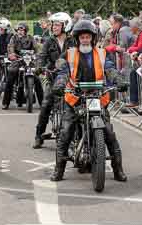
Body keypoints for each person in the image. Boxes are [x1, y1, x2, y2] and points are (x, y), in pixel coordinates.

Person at [51, 19, 128, 182]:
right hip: (75, 98)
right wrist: (59, 83)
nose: (85, 40)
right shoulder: (69, 54)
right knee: (65, 133)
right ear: (77, 38)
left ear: (93, 38)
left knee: (109, 134)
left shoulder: (101, 53)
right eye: (82, 37)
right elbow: (62, 71)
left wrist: (118, 80)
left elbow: (110, 69)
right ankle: (59, 170)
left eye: (88, 37)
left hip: (98, 98)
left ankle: (118, 170)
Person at [34, 12, 74, 148]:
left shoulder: (73, 41)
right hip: (53, 77)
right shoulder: (49, 41)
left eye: (57, 25)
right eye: (53, 25)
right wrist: (39, 67)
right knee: (46, 105)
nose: (54, 27)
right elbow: (42, 55)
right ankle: (39, 135)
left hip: (71, 79)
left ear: (66, 26)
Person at [2, 22, 39, 109]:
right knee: (11, 74)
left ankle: (42, 102)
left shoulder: (30, 38)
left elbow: (36, 48)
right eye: (19, 29)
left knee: (37, 78)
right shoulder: (13, 38)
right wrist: (11, 54)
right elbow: (10, 47)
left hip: (30, 61)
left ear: (25, 30)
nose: (20, 31)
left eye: (22, 29)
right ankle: (6, 102)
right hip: (18, 60)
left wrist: (37, 55)